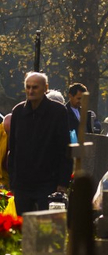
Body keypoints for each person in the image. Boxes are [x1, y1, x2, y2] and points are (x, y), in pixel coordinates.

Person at [8, 72, 71, 214]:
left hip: (49, 182)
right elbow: (13, 148)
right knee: (24, 228)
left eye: (35, 87)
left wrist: (63, 182)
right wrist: (13, 181)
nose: (30, 91)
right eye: (28, 87)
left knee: (46, 228)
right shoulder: (18, 112)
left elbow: (65, 149)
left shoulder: (58, 112)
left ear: (45, 88)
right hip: (23, 183)